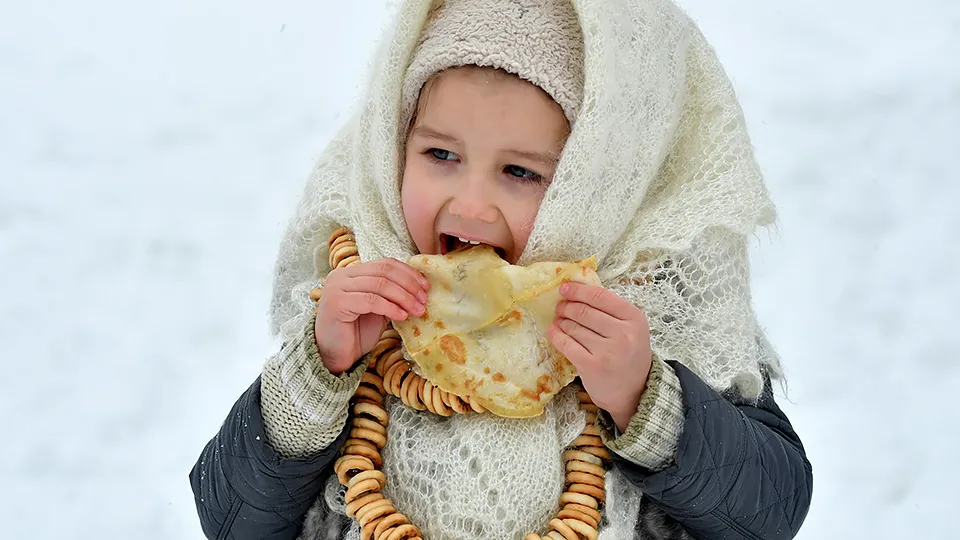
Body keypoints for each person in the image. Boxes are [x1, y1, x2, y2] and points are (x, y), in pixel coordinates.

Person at [189, 0, 813, 538]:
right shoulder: (364, 298)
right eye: (440, 154)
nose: (470, 204)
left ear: (599, 183)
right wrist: (316, 376)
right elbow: (232, 521)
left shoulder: (651, 304)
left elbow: (771, 514)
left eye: (521, 172)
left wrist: (646, 401)